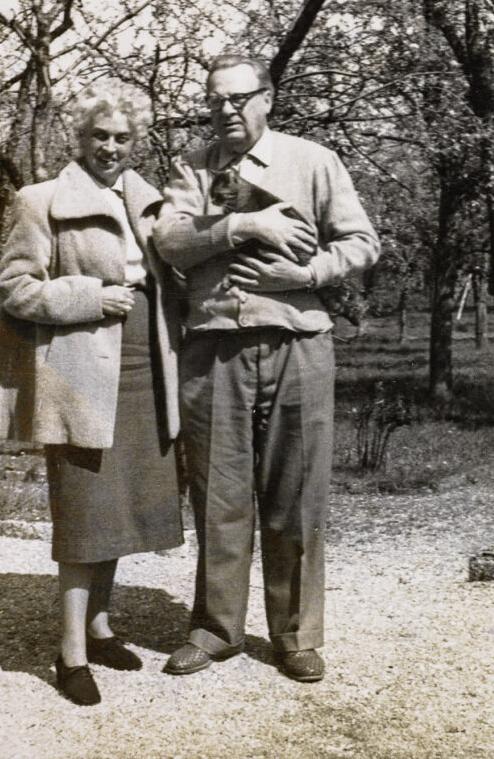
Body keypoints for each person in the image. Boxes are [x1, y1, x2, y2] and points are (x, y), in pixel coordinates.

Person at [153, 53, 379, 683]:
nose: (225, 110)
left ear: (267, 98)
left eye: (238, 98)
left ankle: (296, 634)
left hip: (297, 344)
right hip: (214, 349)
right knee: (218, 496)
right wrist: (240, 225)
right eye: (214, 100)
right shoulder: (192, 167)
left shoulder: (311, 161)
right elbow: (169, 241)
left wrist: (304, 274)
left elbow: (361, 242)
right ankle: (216, 629)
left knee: (296, 495)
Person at [0, 86, 183, 706]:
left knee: (119, 510)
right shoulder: (40, 200)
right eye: (100, 136)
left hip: (147, 370)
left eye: (123, 138)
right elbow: (13, 287)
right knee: (84, 512)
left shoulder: (150, 200)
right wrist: (89, 297)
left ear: (136, 142)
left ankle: (99, 629)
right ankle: (69, 653)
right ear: (80, 136)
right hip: (80, 374)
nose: (111, 148)